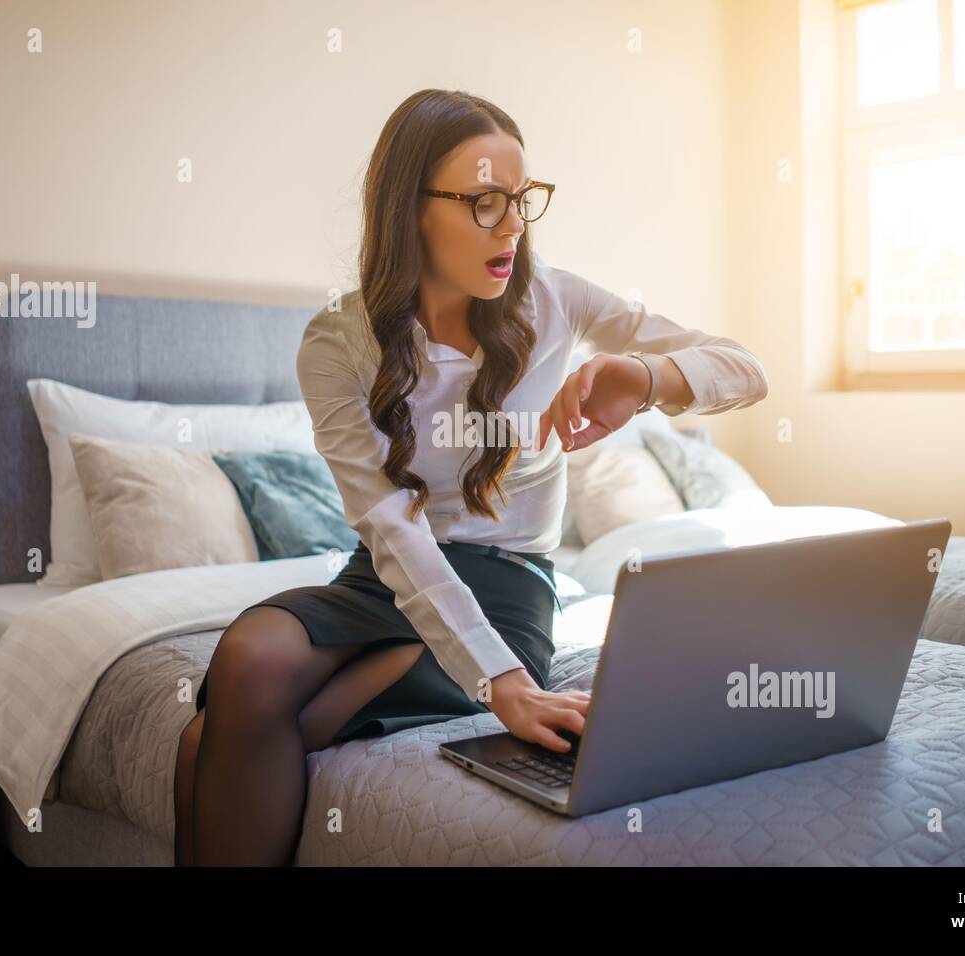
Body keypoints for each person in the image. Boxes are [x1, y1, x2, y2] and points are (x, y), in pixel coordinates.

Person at [173, 88, 770, 866]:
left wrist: (647, 374)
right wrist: (502, 688)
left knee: (206, 740)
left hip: (507, 583)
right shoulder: (338, 341)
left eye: (522, 201)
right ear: (410, 210)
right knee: (249, 657)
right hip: (383, 575)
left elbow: (747, 371)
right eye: (486, 203)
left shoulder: (556, 301)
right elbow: (390, 529)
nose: (515, 226)